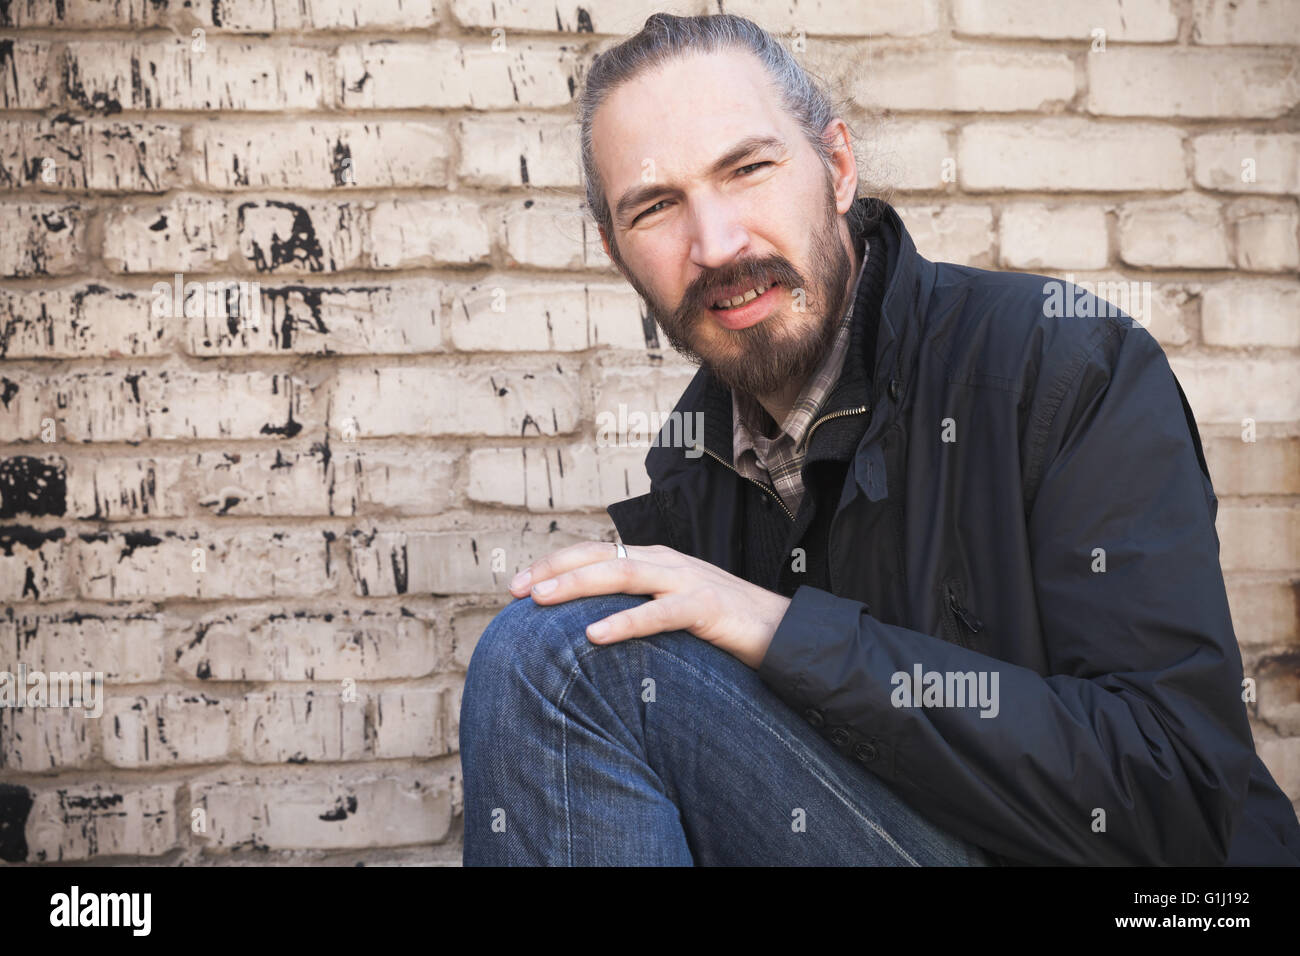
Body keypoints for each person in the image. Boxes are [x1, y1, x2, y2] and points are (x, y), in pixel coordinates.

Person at [459, 12, 1300, 866]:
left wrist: (784, 633)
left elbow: (1179, 791)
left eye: (748, 169)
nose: (716, 245)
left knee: (560, 659)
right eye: (656, 207)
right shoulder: (689, 466)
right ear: (614, 249)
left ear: (838, 167)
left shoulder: (1061, 365)